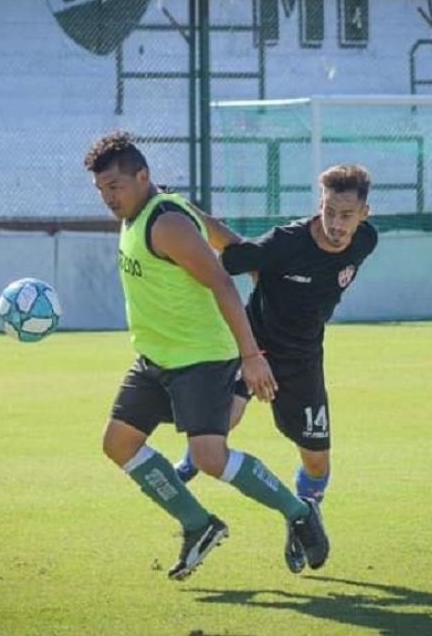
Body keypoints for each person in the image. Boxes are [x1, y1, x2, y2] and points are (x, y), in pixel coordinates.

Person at [84, 130, 329, 581]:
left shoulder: (167, 223)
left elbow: (220, 282)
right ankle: (199, 525)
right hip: (156, 358)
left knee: (210, 457)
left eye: (114, 187)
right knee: (118, 443)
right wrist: (254, 262)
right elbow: (226, 240)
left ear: (143, 176)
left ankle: (298, 511)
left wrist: (251, 355)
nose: (108, 199)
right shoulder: (153, 212)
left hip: (201, 359)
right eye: (101, 190)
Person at [174, 163, 378, 573]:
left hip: (303, 359)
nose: (336, 223)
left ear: (364, 214)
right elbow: (234, 255)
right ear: (319, 204)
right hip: (253, 345)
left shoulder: (366, 241)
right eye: (328, 211)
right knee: (222, 423)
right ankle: (193, 458)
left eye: (346, 215)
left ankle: (305, 515)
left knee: (317, 460)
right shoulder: (286, 242)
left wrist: (267, 276)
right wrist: (182, 211)